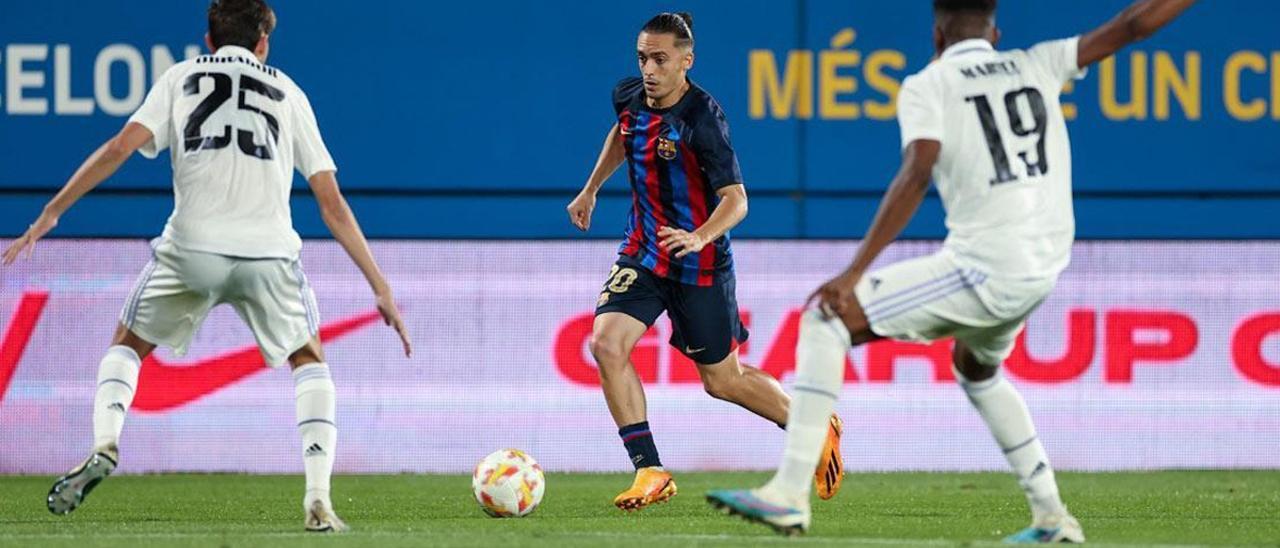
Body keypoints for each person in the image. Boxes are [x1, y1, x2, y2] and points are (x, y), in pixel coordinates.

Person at [706, 0, 1197, 541]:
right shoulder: (1038, 63)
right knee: (977, 368)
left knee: (826, 319)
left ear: (937, 36)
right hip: (1046, 265)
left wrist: (853, 273)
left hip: (987, 266)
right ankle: (1052, 515)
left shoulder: (930, 83)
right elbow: (1132, 25)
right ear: (996, 32)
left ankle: (787, 495)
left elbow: (918, 170)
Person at [1, 0, 412, 532]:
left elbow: (117, 149)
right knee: (308, 359)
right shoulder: (287, 92)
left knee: (128, 344)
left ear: (208, 41)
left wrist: (51, 212)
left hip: (192, 248)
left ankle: (105, 441)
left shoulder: (180, 77)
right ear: (263, 42)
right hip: (267, 253)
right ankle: (318, 499)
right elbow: (330, 201)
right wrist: (379, 285)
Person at [566, 12, 843, 511]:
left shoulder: (703, 119)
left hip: (700, 263)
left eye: (660, 59)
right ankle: (650, 470)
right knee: (606, 344)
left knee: (722, 381)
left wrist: (698, 237)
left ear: (686, 61)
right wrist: (591, 188)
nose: (648, 70)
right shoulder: (629, 95)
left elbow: (737, 200)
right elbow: (622, 133)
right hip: (645, 251)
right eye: (643, 58)